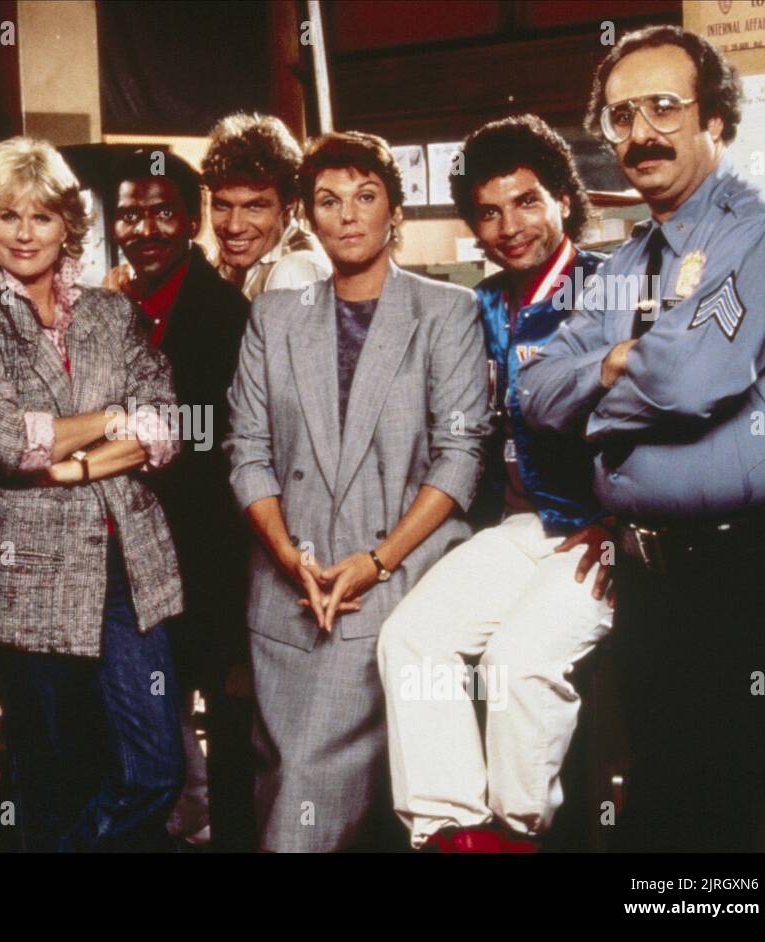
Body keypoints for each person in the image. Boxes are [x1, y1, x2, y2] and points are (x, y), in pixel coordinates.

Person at [518, 26, 765, 851]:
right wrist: (614, 366)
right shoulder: (624, 266)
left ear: (715, 119)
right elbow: (534, 393)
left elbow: (688, 384)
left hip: (746, 580)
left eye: (665, 107)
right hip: (646, 581)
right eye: (620, 116)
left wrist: (599, 390)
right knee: (662, 808)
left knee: (707, 820)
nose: (640, 132)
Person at [225, 131, 490, 851]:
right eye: (329, 200)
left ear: (393, 211)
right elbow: (246, 453)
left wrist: (375, 561)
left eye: (366, 197)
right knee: (286, 781)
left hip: (400, 586)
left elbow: (460, 458)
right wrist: (288, 555)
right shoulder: (276, 318)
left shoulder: (446, 313)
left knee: (311, 800)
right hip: (291, 591)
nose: (348, 215)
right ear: (308, 216)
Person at [0, 137, 185, 852]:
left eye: (41, 217)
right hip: (30, 580)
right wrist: (111, 421)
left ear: (66, 227)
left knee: (154, 769)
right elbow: (8, 442)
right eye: (7, 217)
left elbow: (164, 429)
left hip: (130, 570)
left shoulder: (113, 313)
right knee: (48, 777)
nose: (23, 232)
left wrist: (72, 464)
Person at [377, 115, 613, 853]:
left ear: (563, 202)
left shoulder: (614, 286)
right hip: (518, 527)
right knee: (410, 638)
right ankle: (454, 833)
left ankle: (518, 833)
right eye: (489, 210)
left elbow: (664, 418)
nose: (510, 226)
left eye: (527, 201)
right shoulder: (478, 305)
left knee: (518, 662)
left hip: (602, 533)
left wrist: (625, 525)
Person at [109, 148, 256, 850]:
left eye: (163, 212)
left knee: (229, 728)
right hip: (134, 563)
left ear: (191, 222)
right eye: (130, 214)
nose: (146, 229)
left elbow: (233, 448)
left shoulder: (226, 312)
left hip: (214, 557)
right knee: (148, 735)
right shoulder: (110, 308)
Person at [202, 113, 331, 300]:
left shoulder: (295, 272)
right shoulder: (238, 260)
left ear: (289, 208)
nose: (234, 226)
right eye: (222, 206)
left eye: (254, 207)